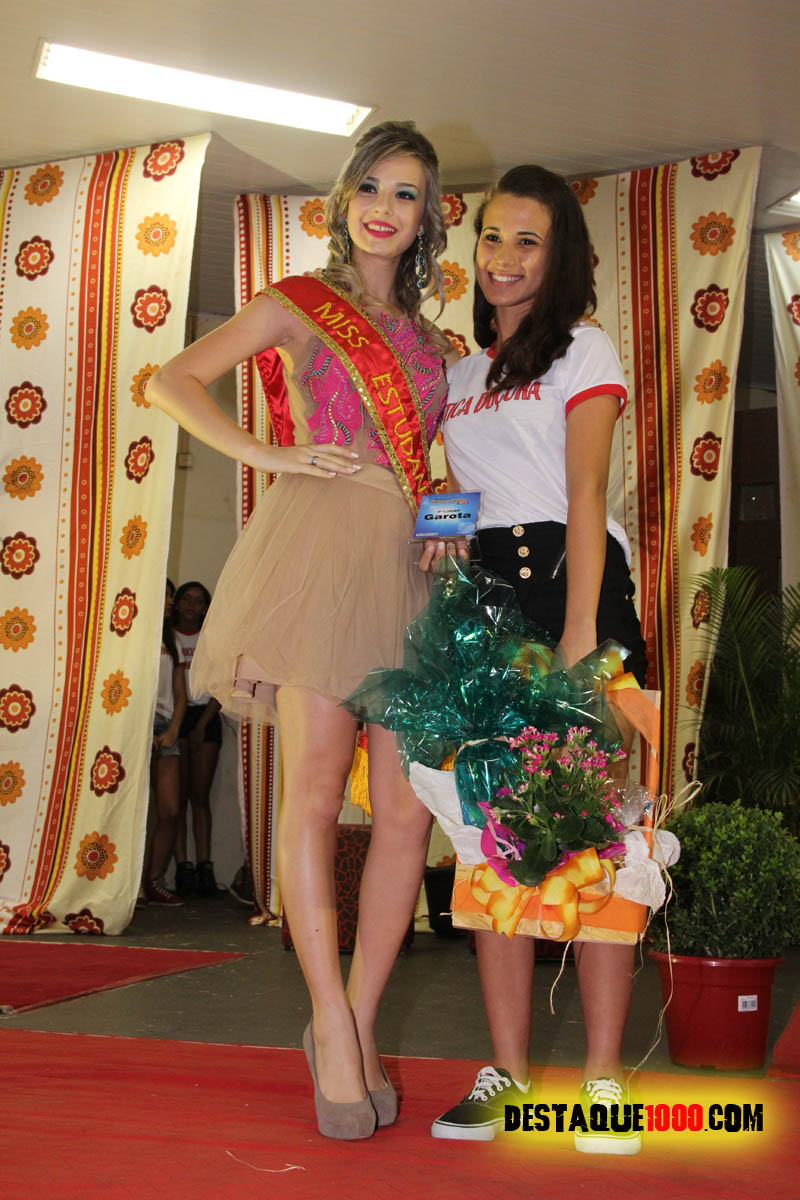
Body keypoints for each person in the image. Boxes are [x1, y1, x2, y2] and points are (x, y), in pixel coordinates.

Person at [147, 121, 454, 1140]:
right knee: (316, 797)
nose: (384, 207)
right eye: (371, 186)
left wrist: (449, 523)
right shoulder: (296, 303)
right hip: (319, 553)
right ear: (342, 197)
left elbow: (442, 464)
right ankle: (325, 1014)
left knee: (404, 815)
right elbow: (171, 380)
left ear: (427, 217)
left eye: (406, 193)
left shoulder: (435, 345)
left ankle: (352, 1025)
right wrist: (266, 455)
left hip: (406, 572)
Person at [424, 165, 648, 1154]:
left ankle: (600, 1080)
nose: (505, 259)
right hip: (485, 610)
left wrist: (580, 638)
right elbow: (457, 496)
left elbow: (584, 493)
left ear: (559, 258)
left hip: (576, 597)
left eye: (528, 241)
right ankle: (508, 1076)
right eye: (492, 238)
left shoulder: (583, 348)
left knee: (601, 839)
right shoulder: (458, 378)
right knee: (490, 844)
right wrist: (431, 539)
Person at [171, 580, 222, 899]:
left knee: (199, 797)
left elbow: (220, 685)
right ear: (177, 603)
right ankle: (182, 867)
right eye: (186, 599)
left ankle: (205, 866)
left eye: (198, 601)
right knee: (176, 799)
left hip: (206, 715)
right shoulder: (167, 636)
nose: (191, 605)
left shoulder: (210, 640)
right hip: (175, 716)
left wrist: (202, 725)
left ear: (206, 608)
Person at [139, 578, 188, 906]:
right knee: (133, 809)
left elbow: (180, 694)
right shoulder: (132, 634)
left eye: (171, 595)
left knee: (169, 811)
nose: (170, 601)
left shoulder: (171, 640)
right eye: (166, 594)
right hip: (136, 727)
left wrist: (172, 729)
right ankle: (132, 886)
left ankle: (154, 880)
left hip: (166, 727)